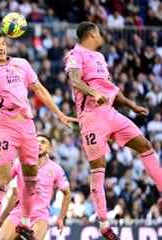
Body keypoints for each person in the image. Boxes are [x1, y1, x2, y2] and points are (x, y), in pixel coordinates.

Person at [0, 30, 77, 240]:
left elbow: (39, 89)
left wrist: (59, 115)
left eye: (3, 43)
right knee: (1, 183)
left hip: (28, 128)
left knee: (31, 180)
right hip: (6, 128)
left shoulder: (22, 64)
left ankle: (24, 223)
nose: (2, 47)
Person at [64, 21, 162, 240]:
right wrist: (92, 93)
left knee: (145, 145)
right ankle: (103, 223)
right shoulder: (75, 54)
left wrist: (131, 105)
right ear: (91, 34)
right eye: (99, 33)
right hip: (91, 117)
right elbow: (74, 81)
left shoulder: (99, 58)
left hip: (110, 113)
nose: (102, 37)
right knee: (99, 166)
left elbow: (111, 89)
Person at [0, 134, 71, 240]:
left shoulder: (56, 169)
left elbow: (67, 194)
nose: (39, 144)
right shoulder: (20, 163)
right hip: (19, 212)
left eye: (43, 142)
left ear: (50, 149)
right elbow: (4, 180)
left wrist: (61, 218)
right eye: (37, 142)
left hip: (40, 215)